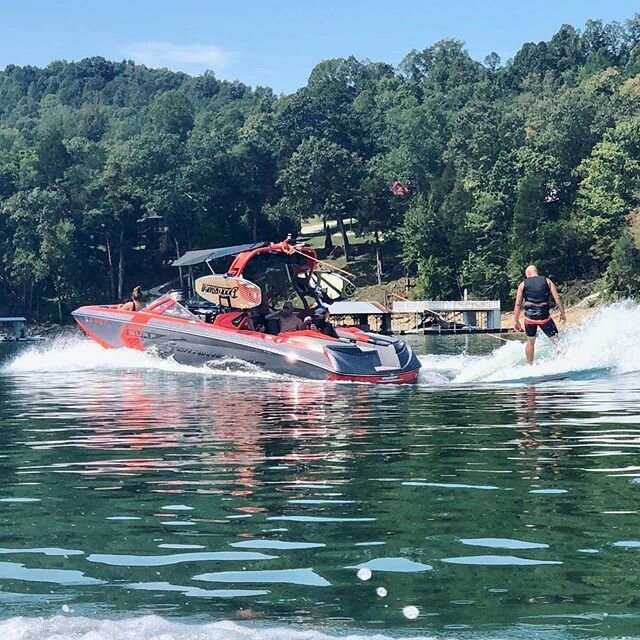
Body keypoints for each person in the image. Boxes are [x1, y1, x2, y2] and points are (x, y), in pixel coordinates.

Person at [513, 265, 566, 364]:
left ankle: (530, 365)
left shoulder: (522, 284)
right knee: (557, 341)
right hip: (544, 316)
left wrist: (516, 321)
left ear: (528, 274)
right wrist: (562, 313)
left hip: (530, 317)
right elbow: (557, 298)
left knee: (530, 341)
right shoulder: (547, 281)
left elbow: (518, 304)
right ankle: (560, 362)